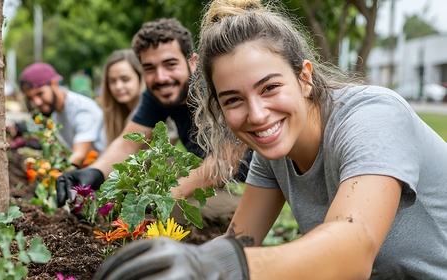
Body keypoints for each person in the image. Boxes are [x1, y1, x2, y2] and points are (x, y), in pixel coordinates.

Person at [91, 0, 447, 279]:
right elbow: (240, 241)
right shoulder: (274, 152)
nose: (257, 115)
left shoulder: (373, 116)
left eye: (270, 87)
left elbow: (355, 246)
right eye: (233, 99)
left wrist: (211, 268)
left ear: (304, 77)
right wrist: (175, 261)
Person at [57, 18, 249, 232]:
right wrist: (94, 173)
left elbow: (225, 160)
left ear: (193, 62)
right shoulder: (158, 94)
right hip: (213, 182)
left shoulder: (216, 86)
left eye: (170, 64)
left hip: (251, 187)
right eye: (149, 68)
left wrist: (166, 197)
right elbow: (128, 143)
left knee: (162, 217)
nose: (161, 77)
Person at [20, 62, 107, 167]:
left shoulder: (82, 109)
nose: (37, 102)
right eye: (31, 98)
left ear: (54, 83)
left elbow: (79, 155)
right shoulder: (56, 112)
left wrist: (60, 173)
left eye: (40, 93)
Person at [100, 48, 178, 145]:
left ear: (141, 78)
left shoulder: (157, 109)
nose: (118, 86)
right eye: (112, 81)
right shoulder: (111, 114)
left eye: (125, 79)